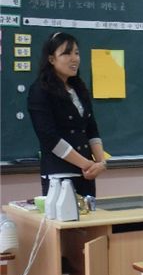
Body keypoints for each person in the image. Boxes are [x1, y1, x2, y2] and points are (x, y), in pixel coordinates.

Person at [28, 32, 107, 197]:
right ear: (51, 59)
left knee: (92, 222)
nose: (74, 58)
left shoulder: (79, 88)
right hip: (60, 176)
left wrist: (101, 163)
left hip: (86, 174)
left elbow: (91, 128)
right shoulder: (40, 91)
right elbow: (49, 137)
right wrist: (86, 164)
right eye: (66, 53)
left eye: (76, 53)